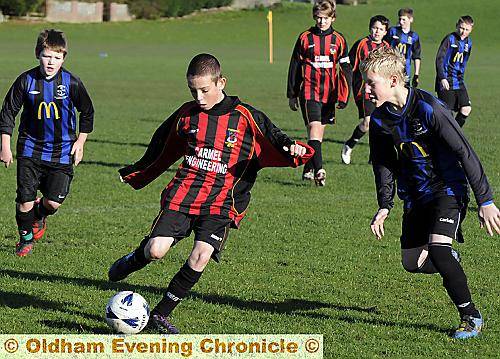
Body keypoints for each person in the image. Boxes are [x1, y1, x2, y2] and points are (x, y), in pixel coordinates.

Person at [108, 53, 312, 334]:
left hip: (222, 201)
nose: (199, 97)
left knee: (200, 256)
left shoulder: (244, 116)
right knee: (156, 251)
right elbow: (161, 144)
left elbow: (274, 136)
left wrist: (293, 148)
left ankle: (160, 314)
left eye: (204, 89)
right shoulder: (187, 114)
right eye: (193, 90)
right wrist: (138, 170)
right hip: (185, 194)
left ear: (221, 82)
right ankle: (134, 259)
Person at [366, 47, 500, 339]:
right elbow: (384, 164)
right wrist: (385, 205)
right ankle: (448, 258)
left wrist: (485, 200)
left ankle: (470, 315)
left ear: (392, 81)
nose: (365, 90)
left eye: (370, 83)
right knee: (412, 263)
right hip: (415, 196)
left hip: (447, 188)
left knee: (438, 249)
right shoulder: (378, 120)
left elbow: (464, 151)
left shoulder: (429, 107)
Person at [0, 29, 94, 257]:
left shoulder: (71, 82)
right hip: (30, 149)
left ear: (64, 58)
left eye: (57, 57)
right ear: (38, 54)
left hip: (62, 152)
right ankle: (25, 240)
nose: (51, 62)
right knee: (24, 201)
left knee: (53, 203)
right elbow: (8, 112)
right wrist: (5, 146)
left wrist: (80, 142)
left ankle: (39, 215)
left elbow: (87, 111)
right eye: (47, 56)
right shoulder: (25, 80)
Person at [287, 0, 351, 186]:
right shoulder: (305, 38)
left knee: (317, 134)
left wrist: (344, 95)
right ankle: (320, 170)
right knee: (314, 128)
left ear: (333, 18)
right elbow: (294, 66)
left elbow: (346, 68)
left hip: (329, 93)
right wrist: (291, 93)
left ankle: (308, 166)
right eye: (318, 18)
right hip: (308, 91)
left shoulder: (339, 40)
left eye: (325, 18)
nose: (321, 22)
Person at [341, 15, 389, 165]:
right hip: (364, 89)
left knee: (381, 123)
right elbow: (347, 64)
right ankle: (349, 145)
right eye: (375, 28)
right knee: (368, 123)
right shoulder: (361, 44)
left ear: (385, 32)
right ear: (370, 28)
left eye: (381, 29)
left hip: (381, 91)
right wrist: (349, 85)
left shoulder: (387, 48)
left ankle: (374, 156)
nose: (377, 31)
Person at [435, 16, 474, 127]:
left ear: (471, 29)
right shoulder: (450, 39)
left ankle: (454, 133)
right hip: (446, 79)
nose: (463, 32)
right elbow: (439, 59)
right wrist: (442, 78)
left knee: (466, 108)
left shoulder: (469, 43)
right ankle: (446, 137)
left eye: (466, 29)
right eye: (461, 28)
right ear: (457, 26)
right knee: (447, 113)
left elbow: (464, 62)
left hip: (459, 81)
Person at [385, 8, 421, 86]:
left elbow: (416, 56)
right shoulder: (392, 31)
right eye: (400, 19)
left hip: (405, 71)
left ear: (410, 19)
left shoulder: (414, 36)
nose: (401, 22)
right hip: (390, 68)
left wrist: (416, 74)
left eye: (404, 19)